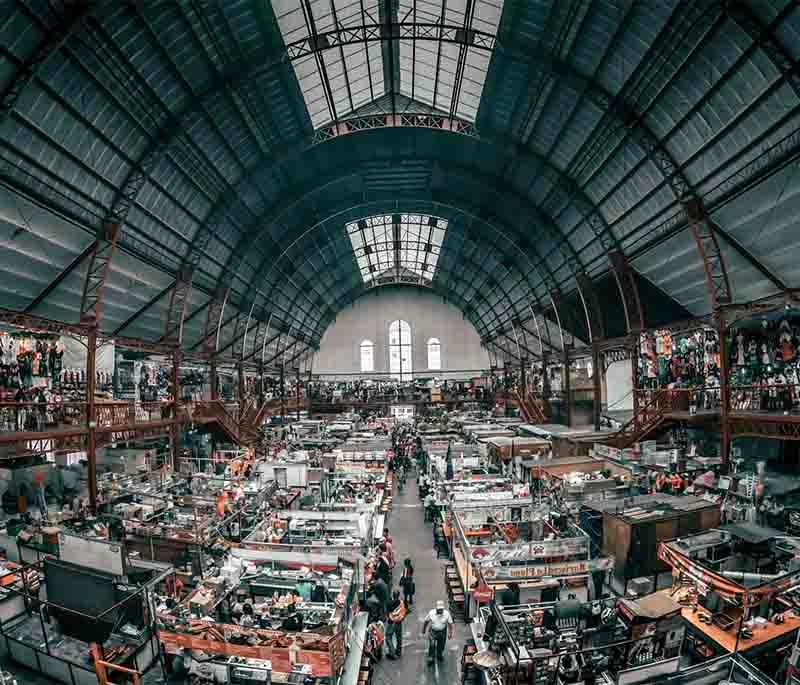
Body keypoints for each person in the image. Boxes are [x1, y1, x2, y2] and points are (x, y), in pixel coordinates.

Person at [385, 590, 407, 660]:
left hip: (391, 623)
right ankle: (399, 652)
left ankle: (392, 653)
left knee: (388, 637)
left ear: (393, 595)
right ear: (398, 595)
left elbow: (387, 612)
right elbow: (405, 611)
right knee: (399, 637)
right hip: (398, 623)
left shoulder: (389, 603)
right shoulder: (401, 602)